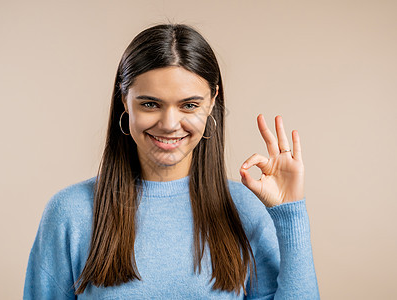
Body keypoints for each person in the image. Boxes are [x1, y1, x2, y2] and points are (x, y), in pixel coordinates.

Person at [23, 23, 320, 299]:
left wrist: (290, 212)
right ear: (124, 100)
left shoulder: (245, 210)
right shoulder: (70, 214)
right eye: (150, 104)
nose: (169, 123)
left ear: (212, 101)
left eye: (189, 105)